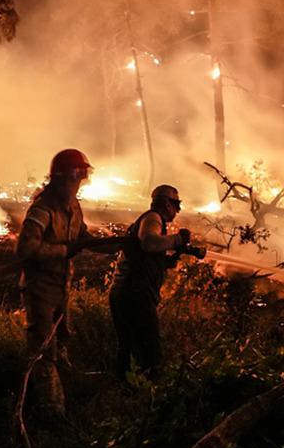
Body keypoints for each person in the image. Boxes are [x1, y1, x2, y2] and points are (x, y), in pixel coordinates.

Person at [16, 148, 112, 417]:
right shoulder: (42, 209)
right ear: (66, 178)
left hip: (61, 286)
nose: (80, 184)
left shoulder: (73, 207)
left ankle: (68, 387)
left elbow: (82, 237)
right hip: (40, 289)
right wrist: (62, 251)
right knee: (43, 350)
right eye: (77, 178)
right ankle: (50, 413)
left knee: (62, 338)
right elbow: (25, 248)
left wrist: (117, 245)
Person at [109, 184, 192, 380]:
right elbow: (148, 242)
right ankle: (148, 396)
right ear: (165, 203)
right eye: (176, 204)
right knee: (149, 351)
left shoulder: (152, 220)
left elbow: (146, 256)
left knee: (128, 348)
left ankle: (125, 392)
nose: (178, 209)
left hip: (126, 293)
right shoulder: (153, 218)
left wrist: (169, 260)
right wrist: (177, 240)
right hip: (134, 295)